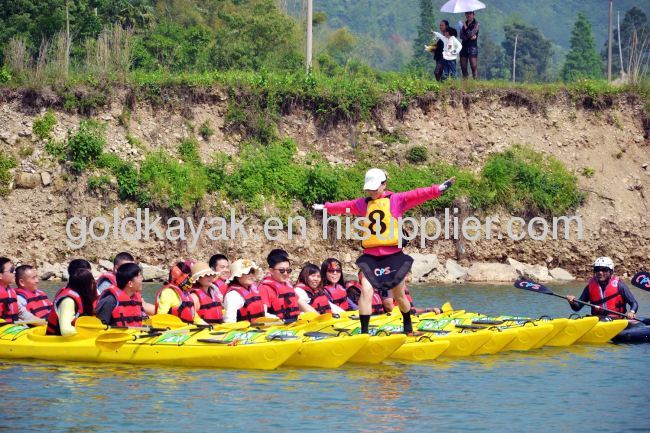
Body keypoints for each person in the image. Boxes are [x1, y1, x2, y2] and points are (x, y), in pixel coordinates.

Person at [312, 168, 455, 334]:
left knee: (399, 295)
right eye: (369, 188)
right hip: (371, 257)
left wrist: (438, 189)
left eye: (375, 188)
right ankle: (364, 333)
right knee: (366, 291)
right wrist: (326, 207)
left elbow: (418, 194)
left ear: (384, 184)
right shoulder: (363, 204)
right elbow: (345, 206)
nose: (371, 191)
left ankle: (408, 328)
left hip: (392, 256)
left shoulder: (397, 200)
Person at [566, 257, 638, 320]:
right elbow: (577, 308)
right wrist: (572, 302)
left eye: (604, 270)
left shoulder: (620, 285)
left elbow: (633, 303)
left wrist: (632, 312)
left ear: (610, 271)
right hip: (597, 319)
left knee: (605, 320)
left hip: (616, 320)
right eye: (597, 270)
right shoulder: (590, 287)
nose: (600, 272)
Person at [46, 268, 97, 336]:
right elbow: (66, 331)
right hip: (55, 342)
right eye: (92, 283)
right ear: (86, 286)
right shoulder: (68, 301)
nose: (94, 285)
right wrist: (87, 331)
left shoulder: (81, 298)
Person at [95, 263, 145, 327]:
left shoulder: (135, 298)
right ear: (130, 284)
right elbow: (100, 327)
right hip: (117, 336)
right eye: (139, 276)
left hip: (134, 334)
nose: (142, 279)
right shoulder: (110, 301)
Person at [258, 252, 301, 323]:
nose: (285, 273)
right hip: (276, 327)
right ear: (271, 271)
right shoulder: (264, 289)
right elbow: (263, 314)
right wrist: (279, 320)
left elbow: (301, 304)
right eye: (281, 270)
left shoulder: (288, 285)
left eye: (288, 270)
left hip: (293, 324)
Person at [223, 259, 266, 323]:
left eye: (252, 271)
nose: (251, 275)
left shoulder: (253, 290)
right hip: (243, 331)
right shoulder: (233, 296)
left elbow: (263, 315)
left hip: (257, 329)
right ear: (237, 276)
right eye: (247, 272)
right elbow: (230, 321)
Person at [459, 11, 479, 79]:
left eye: (470, 13)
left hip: (472, 47)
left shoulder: (476, 24)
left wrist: (465, 26)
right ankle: (465, 84)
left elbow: (471, 33)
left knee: (473, 66)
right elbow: (461, 35)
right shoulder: (463, 24)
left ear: (473, 14)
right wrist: (470, 37)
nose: (468, 15)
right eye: (467, 14)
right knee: (463, 67)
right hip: (464, 46)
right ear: (465, 14)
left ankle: (475, 83)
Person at [0, 257, 19, 323]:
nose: (14, 273)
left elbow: (22, 311)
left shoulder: (11, 292)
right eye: (11, 270)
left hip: (13, 328)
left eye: (14, 270)